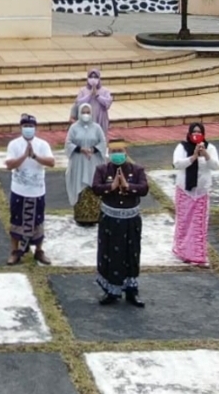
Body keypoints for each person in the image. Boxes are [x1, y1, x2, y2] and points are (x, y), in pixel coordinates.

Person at [92, 138, 150, 307]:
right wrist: (111, 187)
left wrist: (127, 186)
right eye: (114, 152)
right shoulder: (102, 170)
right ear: (109, 154)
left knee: (131, 253)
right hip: (110, 221)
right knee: (110, 253)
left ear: (126, 152)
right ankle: (111, 291)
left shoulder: (137, 170)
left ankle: (131, 291)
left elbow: (144, 189)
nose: (117, 155)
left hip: (131, 221)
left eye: (120, 151)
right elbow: (96, 188)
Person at [5, 115, 55, 265]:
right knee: (16, 220)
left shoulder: (42, 144)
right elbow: (9, 165)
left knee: (38, 221)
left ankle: (39, 251)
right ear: (20, 128)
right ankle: (15, 251)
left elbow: (51, 162)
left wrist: (34, 156)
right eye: (25, 126)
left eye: (31, 126)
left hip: (37, 191)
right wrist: (24, 156)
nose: (28, 128)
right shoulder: (14, 144)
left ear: (35, 127)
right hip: (19, 190)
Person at [171, 122, 219, 267]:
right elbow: (177, 164)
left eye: (199, 132)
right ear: (189, 133)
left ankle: (197, 254)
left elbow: (216, 166)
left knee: (199, 224)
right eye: (194, 131)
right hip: (185, 190)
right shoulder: (182, 147)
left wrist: (206, 155)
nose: (196, 134)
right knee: (184, 222)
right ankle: (182, 251)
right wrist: (193, 157)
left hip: (201, 191)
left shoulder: (210, 148)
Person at [64, 103, 107, 227]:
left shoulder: (97, 128)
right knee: (80, 186)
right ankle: (81, 217)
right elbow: (68, 143)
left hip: (93, 161)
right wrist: (80, 149)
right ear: (79, 113)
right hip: (79, 162)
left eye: (88, 112)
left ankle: (94, 216)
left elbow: (103, 142)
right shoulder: (74, 128)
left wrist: (93, 150)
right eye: (83, 112)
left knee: (94, 184)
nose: (86, 115)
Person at [71, 68, 114, 139]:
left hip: (101, 118)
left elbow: (108, 103)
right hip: (87, 119)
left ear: (99, 78)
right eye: (91, 77)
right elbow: (78, 103)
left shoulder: (105, 91)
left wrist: (97, 96)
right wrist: (90, 95)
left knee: (101, 138)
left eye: (95, 77)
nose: (93, 79)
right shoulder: (83, 91)